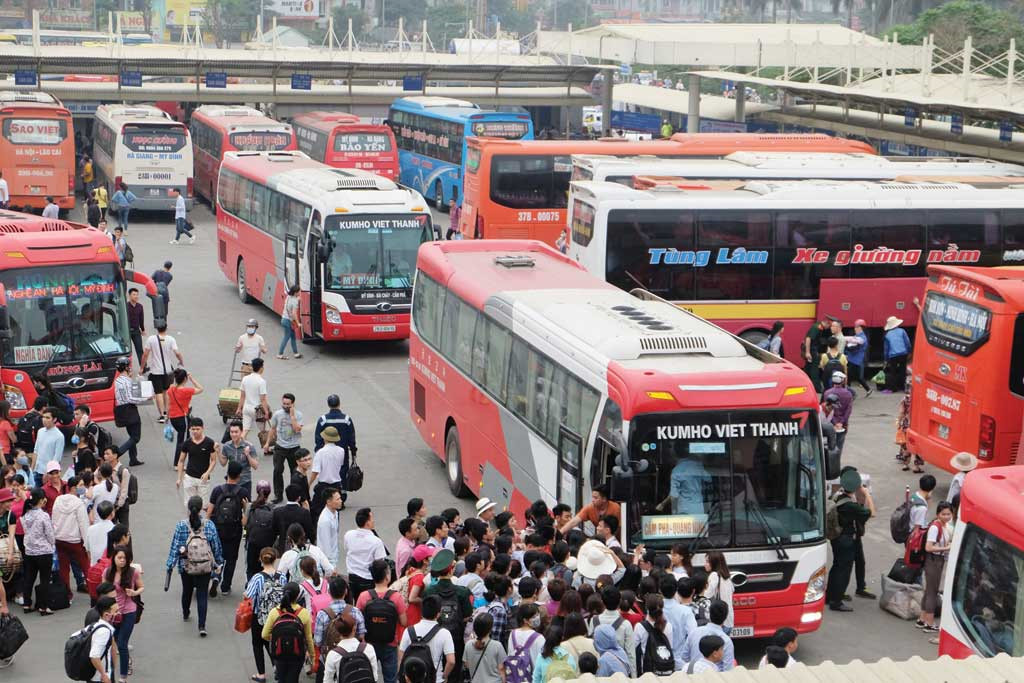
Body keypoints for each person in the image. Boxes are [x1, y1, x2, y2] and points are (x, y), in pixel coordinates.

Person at [166, 495, 224, 637]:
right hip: (204, 566)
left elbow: (175, 547)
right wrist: (218, 562)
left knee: (187, 590)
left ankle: (186, 612)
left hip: (186, 565)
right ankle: (202, 626)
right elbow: (216, 546)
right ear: (200, 509)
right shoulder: (209, 525)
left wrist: (170, 565)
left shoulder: (181, 525)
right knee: (202, 594)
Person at [825, 468, 874, 613]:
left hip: (837, 537)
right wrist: (866, 494)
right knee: (844, 571)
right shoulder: (850, 505)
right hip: (846, 540)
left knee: (836, 567)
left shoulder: (837, 496)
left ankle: (830, 596)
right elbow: (872, 512)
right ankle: (837, 601)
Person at [422, 548, 473, 681]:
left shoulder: (429, 591)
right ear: (451, 570)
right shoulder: (462, 592)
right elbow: (467, 615)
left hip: (433, 635)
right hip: (456, 637)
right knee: (455, 673)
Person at [356, 558, 409, 683]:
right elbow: (404, 622)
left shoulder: (364, 596)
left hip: (369, 643)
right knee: (390, 678)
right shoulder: (396, 597)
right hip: (390, 644)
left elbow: (357, 620)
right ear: (386, 577)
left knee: (367, 676)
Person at [207, 460, 249, 596]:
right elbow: (244, 518)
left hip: (218, 529)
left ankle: (215, 577)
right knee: (231, 558)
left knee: (217, 556)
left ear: (227, 473)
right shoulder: (243, 492)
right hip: (234, 531)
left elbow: (209, 511)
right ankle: (226, 586)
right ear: (239, 475)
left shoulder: (217, 490)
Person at [261, 582, 316, 683]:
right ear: (298, 596)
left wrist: (276, 639)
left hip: (279, 652)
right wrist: (312, 656)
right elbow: (308, 638)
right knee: (293, 679)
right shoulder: (304, 613)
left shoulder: (275, 612)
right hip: (297, 653)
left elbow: (264, 634)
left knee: (281, 678)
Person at [245, 547, 284, 683]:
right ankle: (277, 667)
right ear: (274, 560)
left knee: (257, 643)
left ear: (261, 560)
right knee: (273, 642)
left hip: (259, 616)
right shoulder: (282, 576)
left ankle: (261, 674)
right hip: (278, 616)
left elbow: (248, 595)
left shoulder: (257, 577)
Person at [104, 544, 142, 681]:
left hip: (129, 612)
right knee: (112, 643)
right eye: (119, 557)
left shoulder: (133, 572)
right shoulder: (108, 573)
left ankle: (123, 677)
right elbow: (104, 590)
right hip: (113, 613)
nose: (122, 560)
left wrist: (134, 592)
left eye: (125, 558)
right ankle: (114, 671)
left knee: (121, 644)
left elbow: (141, 587)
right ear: (113, 558)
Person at [399, 594, 456, 683]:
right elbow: (451, 661)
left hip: (411, 679)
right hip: (435, 679)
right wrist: (444, 676)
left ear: (422, 611)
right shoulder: (445, 633)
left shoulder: (409, 630)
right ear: (438, 614)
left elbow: (401, 657)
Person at [53, 475, 91, 599]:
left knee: (64, 568)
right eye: (80, 485)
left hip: (60, 539)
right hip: (75, 541)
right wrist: (87, 545)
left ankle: (67, 594)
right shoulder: (79, 504)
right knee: (86, 566)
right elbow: (83, 525)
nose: (83, 488)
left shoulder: (58, 500)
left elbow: (54, 520)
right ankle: (94, 591)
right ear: (73, 488)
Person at [921, 501, 954, 642]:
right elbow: (929, 547)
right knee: (932, 592)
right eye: (943, 514)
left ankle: (922, 619)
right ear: (937, 514)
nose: (946, 516)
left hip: (936, 560)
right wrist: (946, 548)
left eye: (948, 514)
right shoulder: (935, 527)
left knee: (929, 590)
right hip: (933, 560)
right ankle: (929, 622)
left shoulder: (944, 526)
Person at [140, 321, 183, 424]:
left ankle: (162, 415)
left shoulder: (151, 339)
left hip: (156, 371)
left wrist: (142, 368)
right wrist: (181, 361)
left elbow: (145, 354)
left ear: (156, 328)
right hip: (168, 371)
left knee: (158, 393)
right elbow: (177, 353)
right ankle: (168, 413)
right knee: (166, 392)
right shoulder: (171, 339)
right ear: (166, 328)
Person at [20, 487, 55, 614]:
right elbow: (50, 534)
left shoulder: (24, 515)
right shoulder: (43, 516)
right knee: (45, 579)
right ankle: (43, 606)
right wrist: (52, 544)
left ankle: (27, 604)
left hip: (30, 551)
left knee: (29, 577)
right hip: (44, 551)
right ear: (41, 500)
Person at [323, 611, 379, 683]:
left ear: (338, 631)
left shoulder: (333, 654)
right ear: (354, 628)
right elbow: (374, 677)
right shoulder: (368, 648)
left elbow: (328, 680)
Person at [268, 393, 304, 503]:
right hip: (280, 447)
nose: (286, 406)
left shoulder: (298, 415)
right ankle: (278, 495)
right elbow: (273, 428)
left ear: (293, 404)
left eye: (288, 404)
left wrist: (292, 416)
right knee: (277, 470)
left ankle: (295, 495)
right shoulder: (277, 414)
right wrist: (267, 443)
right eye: (284, 404)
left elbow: (297, 429)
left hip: (294, 447)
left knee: (295, 472)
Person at [344, 507, 386, 601]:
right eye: (372, 518)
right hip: (368, 579)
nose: (373, 521)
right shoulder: (376, 541)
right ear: (367, 522)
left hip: (352, 577)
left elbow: (347, 549)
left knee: (357, 601)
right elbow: (380, 563)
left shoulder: (348, 535)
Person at [177, 417, 219, 504]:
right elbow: (181, 461)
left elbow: (214, 460)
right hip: (189, 477)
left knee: (203, 505)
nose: (195, 431)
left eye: (197, 429)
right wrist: (179, 478)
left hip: (203, 479)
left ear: (202, 428)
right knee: (190, 504)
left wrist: (207, 473)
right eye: (193, 429)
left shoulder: (209, 442)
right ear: (189, 429)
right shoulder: (187, 443)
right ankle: (191, 518)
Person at [686, 600, 733, 671]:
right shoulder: (726, 641)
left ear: (709, 614)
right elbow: (728, 670)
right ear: (726, 617)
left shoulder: (694, 632)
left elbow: (685, 657)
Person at [311, 426, 347, 519]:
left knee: (316, 510)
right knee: (334, 512)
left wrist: (308, 483)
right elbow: (340, 464)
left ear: (324, 438)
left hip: (323, 486)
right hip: (336, 485)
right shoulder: (341, 451)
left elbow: (315, 471)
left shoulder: (320, 453)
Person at [168, 368, 203, 461]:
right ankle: (178, 462)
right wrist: (191, 378)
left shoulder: (171, 389)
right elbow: (200, 389)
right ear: (185, 379)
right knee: (182, 441)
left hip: (173, 417)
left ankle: (180, 460)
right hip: (182, 417)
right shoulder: (186, 391)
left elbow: (172, 386)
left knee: (181, 438)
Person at [219, 419, 259, 500]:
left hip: (245, 481)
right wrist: (217, 452)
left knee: (246, 506)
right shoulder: (227, 446)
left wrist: (248, 455)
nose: (233, 434)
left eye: (236, 432)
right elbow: (223, 463)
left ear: (241, 432)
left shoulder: (249, 446)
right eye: (231, 432)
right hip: (230, 482)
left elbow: (255, 466)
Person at [272, 484, 314, 555]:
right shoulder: (304, 512)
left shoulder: (278, 512)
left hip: (284, 548)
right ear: (299, 498)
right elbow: (310, 532)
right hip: (301, 548)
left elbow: (274, 530)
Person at [464, 611, 505, 683]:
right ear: (490, 629)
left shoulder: (468, 645)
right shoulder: (497, 646)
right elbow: (501, 669)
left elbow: (467, 665)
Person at [88, 596, 120, 683]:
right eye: (116, 611)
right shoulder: (104, 632)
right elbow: (94, 656)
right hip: (99, 678)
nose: (118, 614)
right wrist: (104, 675)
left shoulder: (95, 625)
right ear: (106, 614)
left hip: (94, 675)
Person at [237, 357, 269, 441]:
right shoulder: (261, 381)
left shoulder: (245, 379)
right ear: (261, 368)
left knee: (245, 430)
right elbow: (263, 399)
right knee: (263, 431)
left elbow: (242, 396)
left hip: (246, 408)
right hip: (257, 410)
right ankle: (266, 449)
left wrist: (239, 408)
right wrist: (266, 412)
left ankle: (240, 445)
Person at [823, 371, 855, 453]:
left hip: (830, 424)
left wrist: (835, 422)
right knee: (839, 447)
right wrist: (841, 422)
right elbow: (848, 410)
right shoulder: (848, 394)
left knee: (829, 446)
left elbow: (827, 410)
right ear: (842, 381)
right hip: (843, 424)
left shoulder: (827, 393)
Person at [32, 408, 64, 487]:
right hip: (36, 471)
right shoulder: (40, 431)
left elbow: (56, 458)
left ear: (54, 419)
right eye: (43, 417)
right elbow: (36, 451)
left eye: (47, 418)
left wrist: (47, 473)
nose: (44, 420)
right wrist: (32, 469)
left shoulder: (59, 436)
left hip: (48, 474)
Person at [883, 315, 911, 393]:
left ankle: (893, 388)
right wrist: (909, 351)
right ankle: (902, 387)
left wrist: (886, 359)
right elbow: (907, 343)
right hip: (903, 354)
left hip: (893, 356)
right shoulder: (902, 331)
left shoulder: (887, 335)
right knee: (902, 370)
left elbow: (886, 349)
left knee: (893, 372)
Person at [317, 488, 343, 568]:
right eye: (338, 499)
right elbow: (326, 544)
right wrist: (330, 566)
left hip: (334, 556)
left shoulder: (335, 513)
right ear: (328, 502)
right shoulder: (325, 521)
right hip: (327, 562)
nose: (341, 501)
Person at [802, 319, 830, 393]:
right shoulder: (816, 328)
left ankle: (803, 383)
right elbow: (808, 339)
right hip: (812, 350)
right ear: (826, 323)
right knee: (815, 369)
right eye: (829, 326)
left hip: (812, 349)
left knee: (808, 368)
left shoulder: (818, 327)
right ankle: (817, 388)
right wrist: (808, 352)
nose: (828, 328)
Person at [278, 284, 303, 359]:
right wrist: (298, 323)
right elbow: (294, 314)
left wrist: (298, 299)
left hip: (284, 319)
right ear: (295, 292)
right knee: (286, 337)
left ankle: (296, 353)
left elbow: (292, 302)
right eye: (299, 291)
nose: (300, 292)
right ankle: (280, 354)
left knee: (293, 337)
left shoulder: (288, 297)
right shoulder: (294, 301)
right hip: (288, 321)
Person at [126, 288, 145, 364]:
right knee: (126, 350)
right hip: (126, 331)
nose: (136, 296)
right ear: (129, 296)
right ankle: (126, 367)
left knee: (140, 349)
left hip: (136, 331)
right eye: (134, 294)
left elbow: (141, 319)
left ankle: (143, 366)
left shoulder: (140, 306)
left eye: (137, 294)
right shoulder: (125, 306)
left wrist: (142, 330)